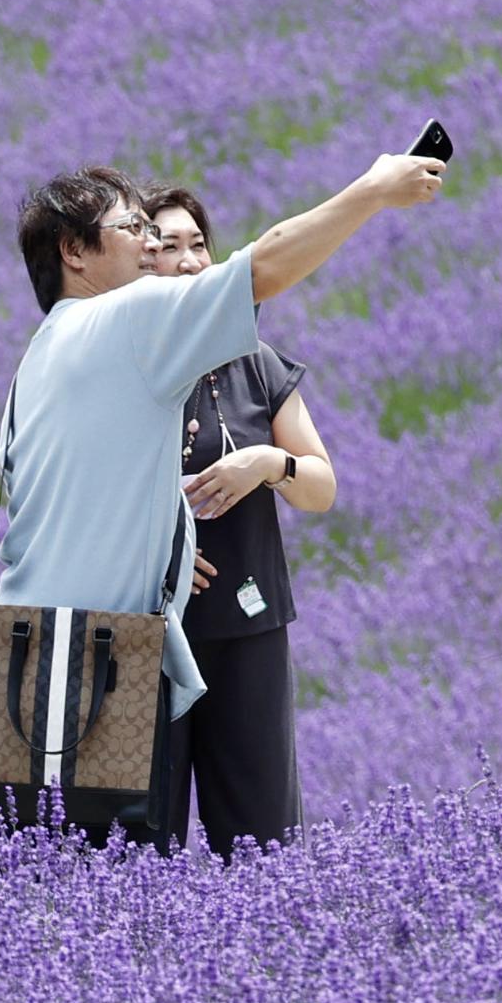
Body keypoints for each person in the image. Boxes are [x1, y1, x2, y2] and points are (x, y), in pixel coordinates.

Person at [0, 149, 438, 848]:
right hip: (107, 660)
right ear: (75, 252)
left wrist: (172, 536)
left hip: (28, 662)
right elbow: (264, 269)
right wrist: (373, 190)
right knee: (125, 904)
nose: (152, 245)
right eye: (134, 228)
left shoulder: (33, 363)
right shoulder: (127, 320)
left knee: (60, 907)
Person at [123, 182, 337, 857]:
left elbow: (321, 488)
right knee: (135, 850)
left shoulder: (257, 365)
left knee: (262, 841)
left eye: (198, 245)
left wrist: (269, 464)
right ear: (139, 263)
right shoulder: (122, 370)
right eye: (167, 247)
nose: (188, 261)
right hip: (145, 631)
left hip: (248, 632)